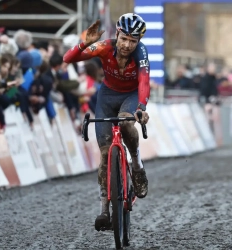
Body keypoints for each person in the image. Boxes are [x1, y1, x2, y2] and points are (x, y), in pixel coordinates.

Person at [63, 14, 150, 230]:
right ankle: (104, 209)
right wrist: (85, 43)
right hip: (106, 97)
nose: (127, 45)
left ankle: (137, 166)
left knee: (126, 123)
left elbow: (144, 82)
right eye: (124, 39)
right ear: (117, 34)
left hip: (130, 97)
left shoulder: (141, 54)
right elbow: (67, 59)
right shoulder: (104, 47)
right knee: (104, 154)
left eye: (133, 41)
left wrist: (141, 108)